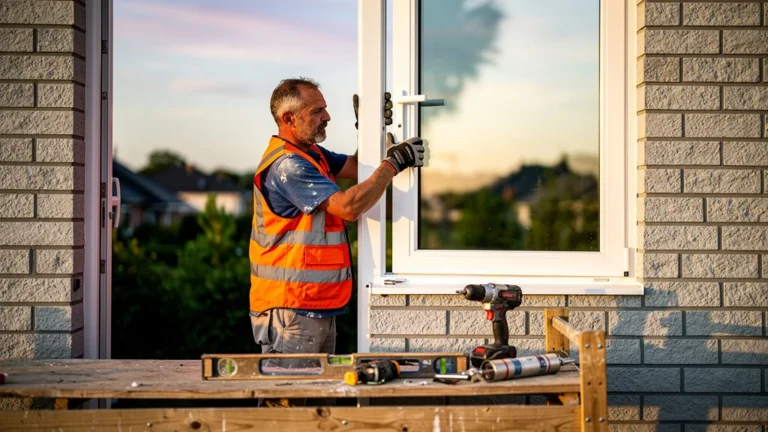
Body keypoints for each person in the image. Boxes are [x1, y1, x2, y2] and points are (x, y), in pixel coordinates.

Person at [249, 78, 424, 405]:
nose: (327, 117)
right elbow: (348, 207)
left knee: (313, 408)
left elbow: (357, 167)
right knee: (284, 412)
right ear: (289, 119)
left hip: (312, 304)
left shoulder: (310, 154)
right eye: (317, 111)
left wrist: (368, 130)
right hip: (291, 310)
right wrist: (393, 163)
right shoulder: (288, 166)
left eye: (325, 109)